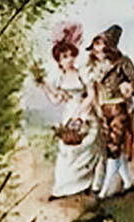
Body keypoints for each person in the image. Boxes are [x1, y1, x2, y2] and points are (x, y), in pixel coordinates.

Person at [40, 26, 100, 199]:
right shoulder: (59, 78)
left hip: (85, 112)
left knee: (86, 147)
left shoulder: (82, 73)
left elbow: (91, 96)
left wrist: (80, 114)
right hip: (69, 114)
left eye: (71, 55)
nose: (69, 59)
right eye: (64, 57)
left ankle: (86, 185)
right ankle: (63, 188)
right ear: (58, 61)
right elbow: (56, 100)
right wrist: (45, 87)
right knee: (66, 150)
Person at [86, 24, 134, 199]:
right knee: (113, 149)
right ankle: (128, 183)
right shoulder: (93, 67)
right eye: (96, 44)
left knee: (113, 148)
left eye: (103, 45)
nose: (99, 49)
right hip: (103, 111)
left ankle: (104, 191)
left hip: (119, 109)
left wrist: (128, 87)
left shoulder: (123, 62)